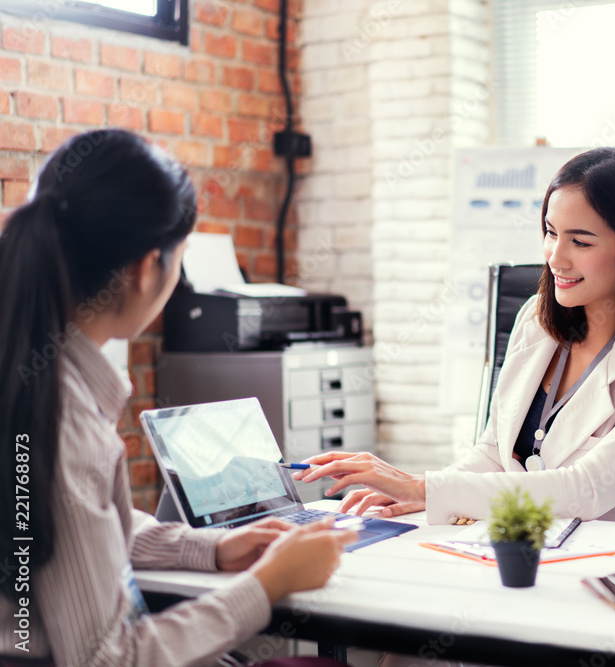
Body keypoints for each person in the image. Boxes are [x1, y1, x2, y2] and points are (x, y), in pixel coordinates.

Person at [0, 129, 356, 666]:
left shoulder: (36, 378)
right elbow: (107, 659)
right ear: (148, 269)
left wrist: (209, 547)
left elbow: (83, 529)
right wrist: (267, 584)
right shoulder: (65, 418)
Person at [295, 147, 615, 525]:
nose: (555, 257)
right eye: (550, 233)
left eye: (580, 242)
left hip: (601, 572)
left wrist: (425, 488)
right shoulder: (535, 319)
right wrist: (421, 495)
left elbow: (589, 489)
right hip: (512, 544)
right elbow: (494, 454)